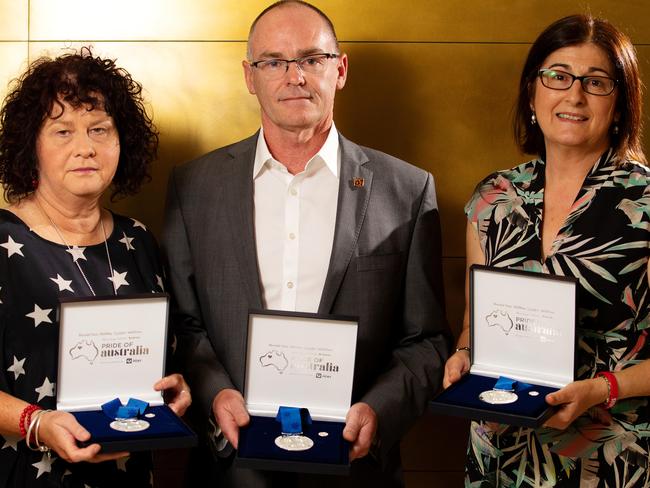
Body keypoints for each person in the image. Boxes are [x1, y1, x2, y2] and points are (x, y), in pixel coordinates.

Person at [162, 1, 449, 486]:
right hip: (232, 471)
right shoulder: (194, 187)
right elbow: (185, 326)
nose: (294, 77)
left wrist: (377, 412)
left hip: (355, 470)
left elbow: (426, 340)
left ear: (340, 69)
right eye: (273, 62)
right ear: (249, 77)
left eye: (312, 60)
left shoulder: (407, 190)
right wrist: (216, 396)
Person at [444, 14, 650, 487]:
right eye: (558, 76)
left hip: (611, 455)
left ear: (620, 104)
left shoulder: (644, 203)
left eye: (596, 82)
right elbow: (476, 324)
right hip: (502, 451)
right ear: (532, 93)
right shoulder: (491, 198)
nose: (573, 95)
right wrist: (462, 352)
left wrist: (604, 388)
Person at [0, 49, 191, 487]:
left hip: (128, 476)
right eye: (62, 131)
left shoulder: (138, 240)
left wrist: (174, 393)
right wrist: (36, 422)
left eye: (99, 129)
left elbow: (160, 361)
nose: (85, 148)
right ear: (32, 144)